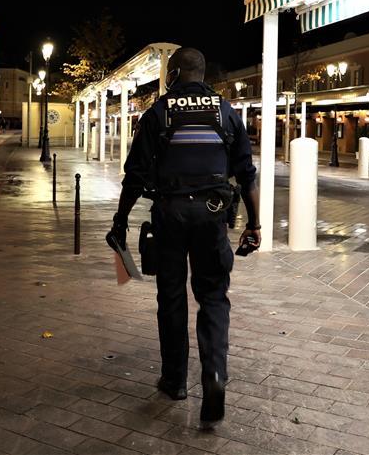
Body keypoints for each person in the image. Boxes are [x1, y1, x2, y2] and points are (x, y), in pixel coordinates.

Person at [109, 47, 260, 430]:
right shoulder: (226, 112)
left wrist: (121, 220)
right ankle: (214, 376)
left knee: (172, 297)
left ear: (174, 73)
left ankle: (175, 380)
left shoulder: (158, 113)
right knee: (213, 298)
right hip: (212, 215)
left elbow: (135, 176)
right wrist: (254, 224)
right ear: (203, 73)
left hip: (171, 216)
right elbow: (246, 173)